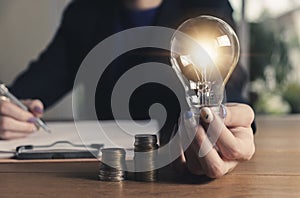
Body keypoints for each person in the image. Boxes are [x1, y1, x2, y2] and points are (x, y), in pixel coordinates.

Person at [0, 0, 255, 178]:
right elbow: (28, 88)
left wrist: (230, 125)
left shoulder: (207, 5)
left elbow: (226, 86)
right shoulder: (83, 13)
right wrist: (6, 108)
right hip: (108, 171)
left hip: (175, 170)